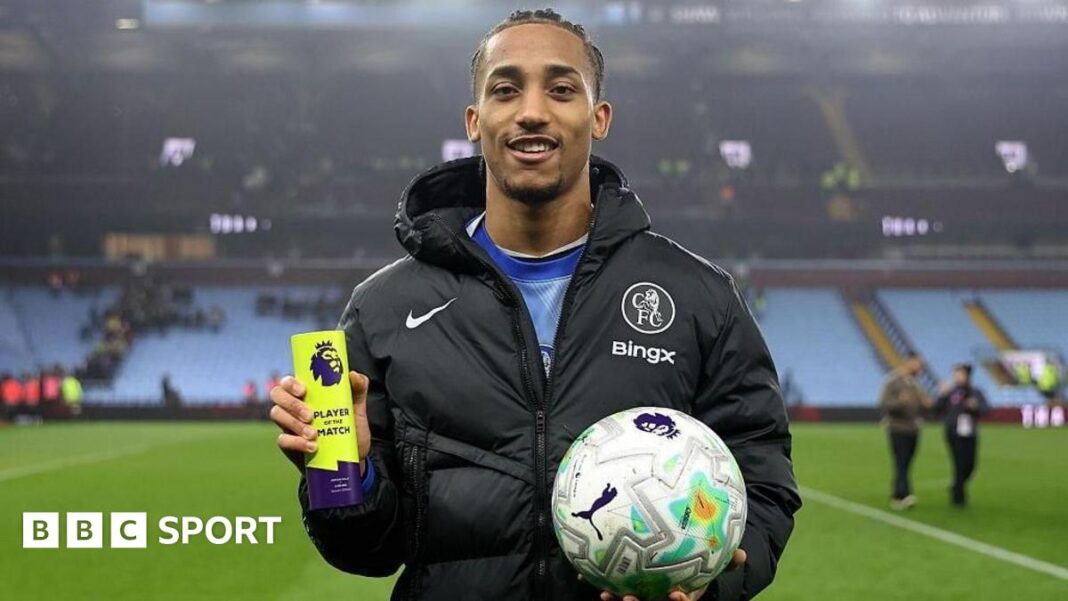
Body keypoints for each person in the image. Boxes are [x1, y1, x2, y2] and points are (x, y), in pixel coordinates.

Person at [270, 9, 800, 601]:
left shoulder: (698, 296)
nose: (531, 111)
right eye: (505, 90)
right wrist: (349, 475)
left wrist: (713, 584)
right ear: (475, 121)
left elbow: (763, 478)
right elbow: (363, 550)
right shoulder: (384, 308)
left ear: (599, 118)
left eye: (561, 89)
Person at [878, 353, 932, 510]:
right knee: (901, 461)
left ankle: (897, 495)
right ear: (908, 362)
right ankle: (905, 494)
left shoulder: (915, 384)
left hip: (913, 428)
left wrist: (926, 404)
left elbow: (921, 406)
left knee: (906, 463)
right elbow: (884, 404)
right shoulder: (893, 382)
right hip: (898, 427)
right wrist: (899, 402)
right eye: (918, 364)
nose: (920, 368)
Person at [934, 364, 990, 507]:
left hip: (969, 431)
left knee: (970, 464)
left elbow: (985, 409)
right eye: (956, 374)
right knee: (958, 463)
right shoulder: (950, 392)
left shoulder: (975, 392)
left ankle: (957, 485)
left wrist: (975, 406)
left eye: (960, 374)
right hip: (953, 431)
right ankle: (959, 496)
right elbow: (937, 408)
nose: (957, 377)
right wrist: (942, 395)